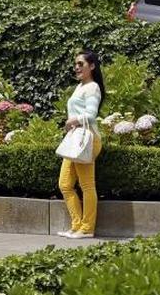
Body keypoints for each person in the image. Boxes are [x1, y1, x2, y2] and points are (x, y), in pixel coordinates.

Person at [57, 50, 104, 239]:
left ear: (92, 66)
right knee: (65, 184)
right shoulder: (80, 86)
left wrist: (72, 121)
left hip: (87, 139)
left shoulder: (92, 87)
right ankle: (77, 225)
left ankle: (87, 228)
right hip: (76, 140)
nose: (76, 67)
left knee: (87, 185)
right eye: (75, 64)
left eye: (80, 64)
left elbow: (91, 115)